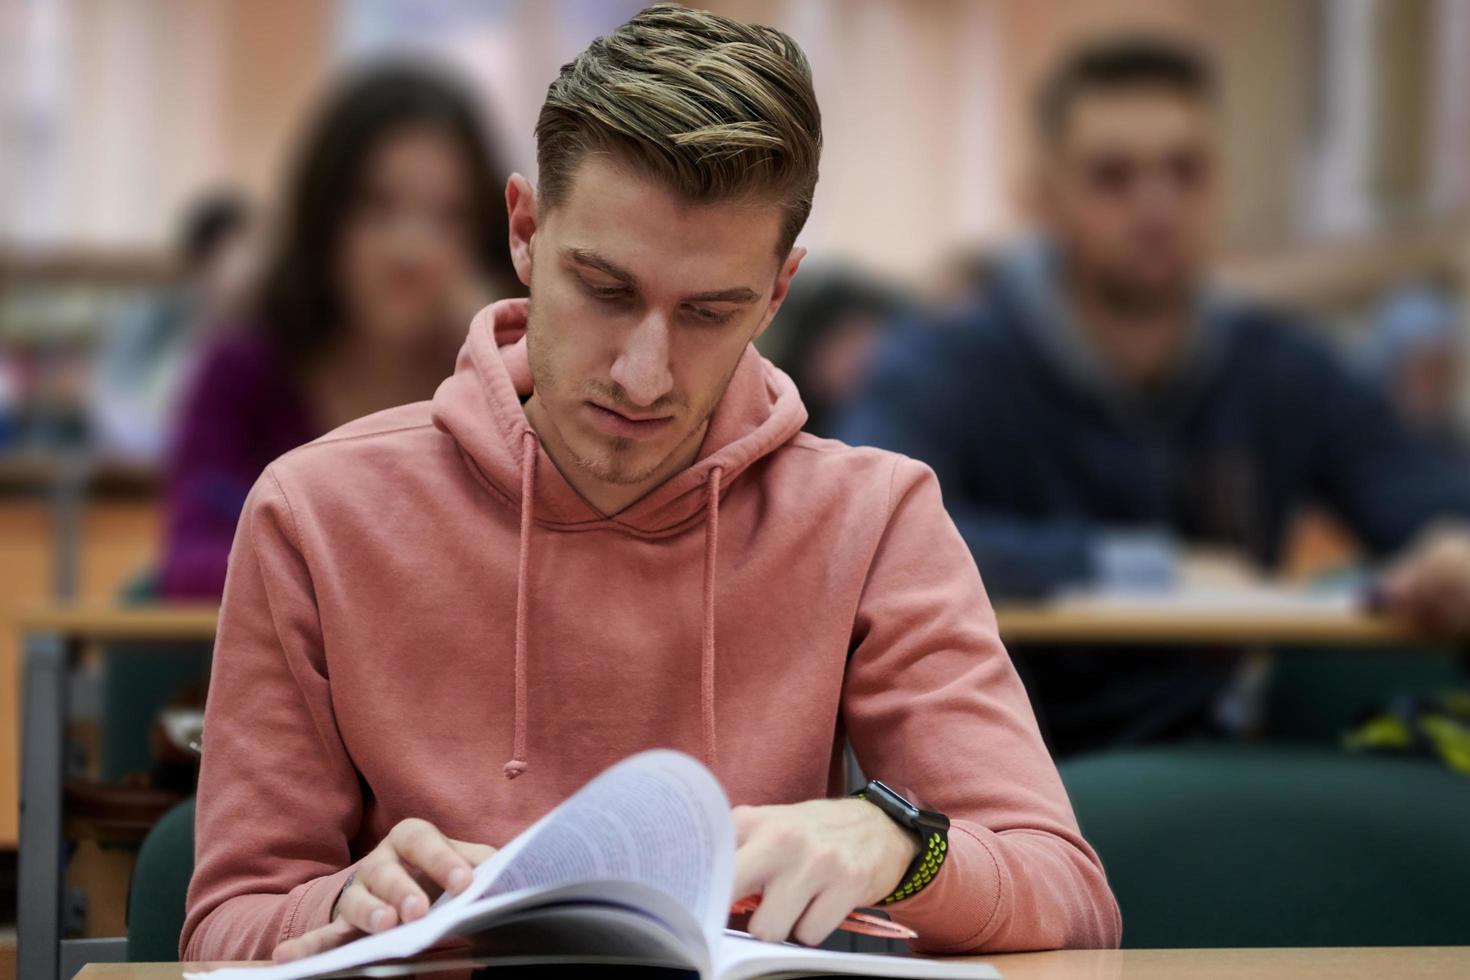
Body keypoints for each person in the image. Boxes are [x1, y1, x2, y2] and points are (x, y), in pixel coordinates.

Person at [181, 5, 1120, 963]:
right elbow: (224, 932)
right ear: (523, 231)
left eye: (710, 312)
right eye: (605, 288)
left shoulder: (872, 519)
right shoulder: (316, 513)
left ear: (778, 292)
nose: (643, 374)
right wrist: (339, 903)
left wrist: (903, 846)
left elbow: (1069, 895)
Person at [837, 36, 1470, 756]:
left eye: (1186, 170)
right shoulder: (945, 363)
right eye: (1114, 176)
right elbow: (868, 533)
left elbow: (1420, 493)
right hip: (1004, 764)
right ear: (1044, 199)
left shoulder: (1283, 366)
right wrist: (1143, 567)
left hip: (1226, 756)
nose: (1157, 205)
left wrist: (1453, 542)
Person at [158, 61, 521, 598]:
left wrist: (498, 356)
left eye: (450, 216)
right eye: (378, 206)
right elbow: (189, 566)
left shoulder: (513, 383)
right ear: (324, 215)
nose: (411, 250)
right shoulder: (244, 371)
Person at [89, 191, 256, 461]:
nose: (248, 274)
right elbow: (112, 409)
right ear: (200, 261)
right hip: (142, 471)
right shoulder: (155, 322)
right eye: (236, 259)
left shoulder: (259, 339)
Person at [1362, 284, 1468, 463]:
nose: (1437, 384)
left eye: (1443, 370)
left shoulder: (1457, 447)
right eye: (1426, 371)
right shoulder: (1369, 457)